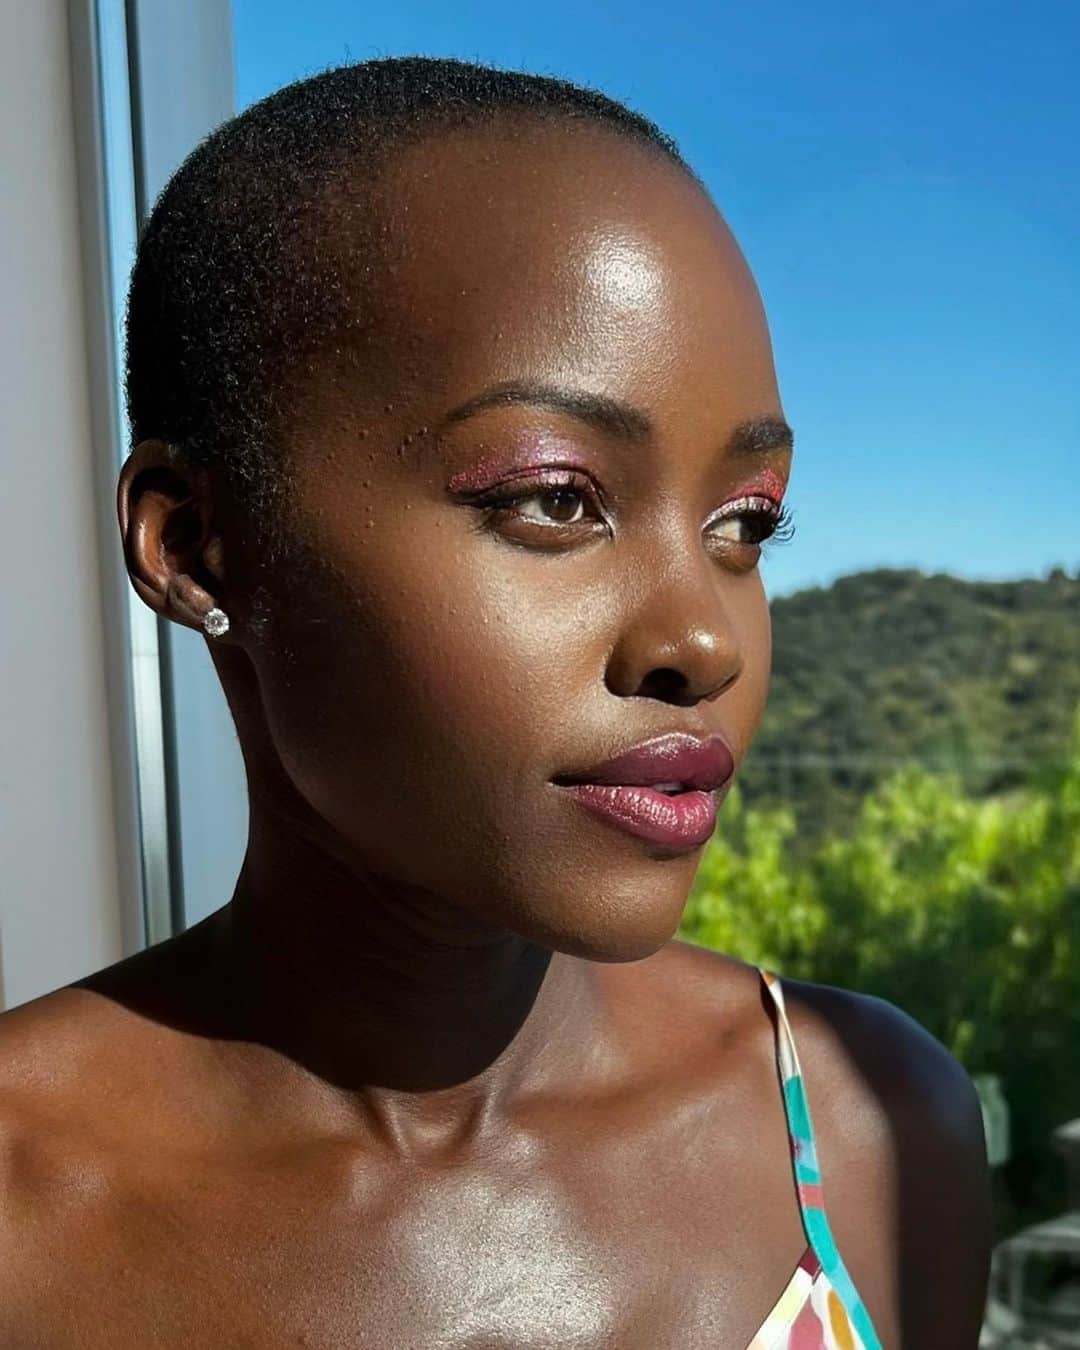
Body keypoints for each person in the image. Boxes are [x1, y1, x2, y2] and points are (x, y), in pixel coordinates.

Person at [0, 56, 989, 1347]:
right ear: (195, 545)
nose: (703, 635)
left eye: (745, 522)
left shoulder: (871, 1126)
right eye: (555, 498)